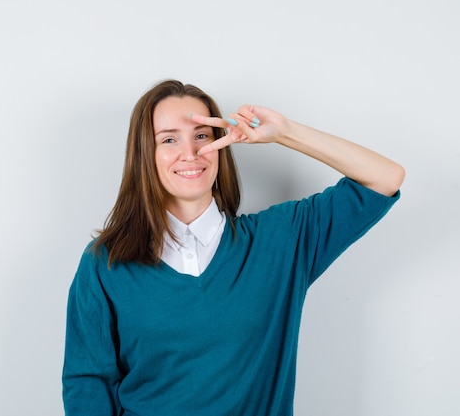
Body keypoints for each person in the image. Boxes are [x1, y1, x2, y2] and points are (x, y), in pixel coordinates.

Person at [62, 79, 405, 416]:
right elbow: (88, 384)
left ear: (222, 144)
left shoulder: (282, 239)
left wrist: (284, 132)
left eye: (202, 136)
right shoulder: (106, 261)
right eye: (169, 139)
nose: (191, 152)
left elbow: (385, 178)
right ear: (145, 156)